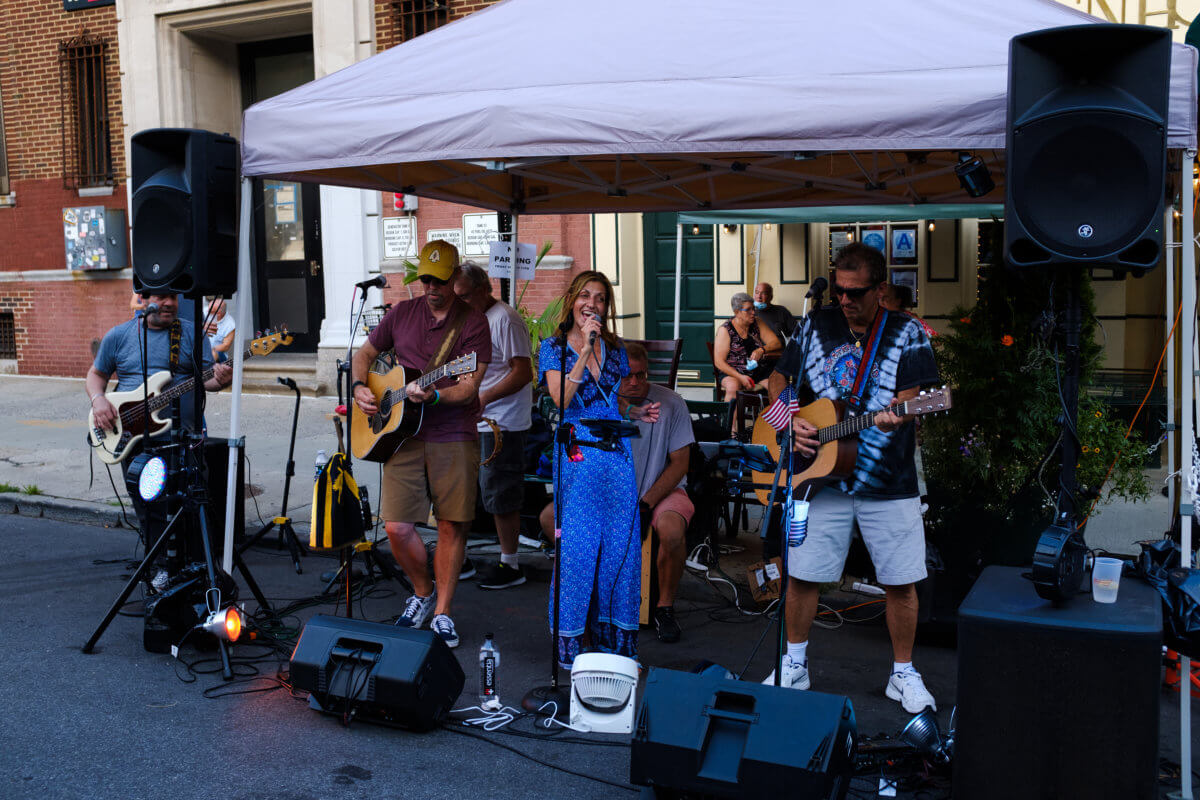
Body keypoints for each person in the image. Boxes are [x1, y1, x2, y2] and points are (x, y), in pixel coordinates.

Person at [763, 241, 940, 714]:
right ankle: (794, 663)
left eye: (856, 292)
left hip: (889, 478)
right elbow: (780, 378)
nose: (845, 300)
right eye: (839, 290)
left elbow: (914, 397)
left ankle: (903, 674)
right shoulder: (816, 323)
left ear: (880, 289)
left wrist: (895, 414)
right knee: (803, 575)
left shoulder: (907, 332)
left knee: (901, 580)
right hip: (820, 480)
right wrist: (790, 420)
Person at [351, 240, 491, 649]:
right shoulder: (401, 313)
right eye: (425, 279)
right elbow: (364, 355)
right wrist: (361, 386)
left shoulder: (473, 323)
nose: (431, 286)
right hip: (401, 435)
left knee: (450, 523)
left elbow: (469, 387)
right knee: (395, 525)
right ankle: (422, 591)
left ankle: (443, 614)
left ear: (455, 280)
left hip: (451, 432)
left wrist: (436, 396)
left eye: (440, 280)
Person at [538, 270, 659, 668]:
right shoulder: (552, 348)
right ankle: (573, 650)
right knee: (578, 553)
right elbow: (562, 401)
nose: (593, 305)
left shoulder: (618, 350)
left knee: (619, 558)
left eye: (602, 299)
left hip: (617, 459)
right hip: (578, 458)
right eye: (585, 296)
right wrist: (586, 349)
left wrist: (635, 411)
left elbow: (611, 403)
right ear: (572, 300)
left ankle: (615, 653)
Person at [86, 292, 233, 587]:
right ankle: (160, 568)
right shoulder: (119, 335)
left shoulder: (191, 333)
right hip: (133, 438)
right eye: (161, 298)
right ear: (144, 300)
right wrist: (99, 400)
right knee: (149, 506)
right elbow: (96, 374)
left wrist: (222, 378)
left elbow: (207, 380)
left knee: (191, 502)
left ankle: (195, 569)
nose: (168, 303)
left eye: (173, 299)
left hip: (184, 438)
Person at [453, 261, 533, 590]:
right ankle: (461, 559)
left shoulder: (505, 320)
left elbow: (522, 372)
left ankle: (510, 564)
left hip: (502, 422)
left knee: (500, 492)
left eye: (465, 296)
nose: (459, 304)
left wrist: (483, 398)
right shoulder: (469, 319)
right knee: (463, 491)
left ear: (485, 289)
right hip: (473, 418)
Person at [618, 341, 695, 643]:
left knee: (671, 531)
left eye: (642, 374)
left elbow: (680, 464)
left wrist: (647, 502)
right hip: (615, 494)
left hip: (662, 490)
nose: (636, 382)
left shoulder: (671, 402)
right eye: (628, 375)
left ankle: (664, 607)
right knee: (552, 519)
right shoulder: (602, 402)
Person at [713, 292, 783, 402]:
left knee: (777, 386)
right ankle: (729, 419)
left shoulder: (757, 322)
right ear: (737, 312)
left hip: (759, 372)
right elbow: (718, 362)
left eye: (754, 308)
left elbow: (776, 343)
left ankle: (784, 418)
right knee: (733, 386)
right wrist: (740, 377)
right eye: (748, 310)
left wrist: (761, 350)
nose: (753, 313)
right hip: (733, 372)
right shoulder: (725, 330)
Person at [204, 297, 236, 363]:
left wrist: (209, 349)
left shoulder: (230, 324)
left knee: (214, 353)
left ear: (218, 314)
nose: (207, 311)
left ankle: (205, 370)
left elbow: (226, 346)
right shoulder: (204, 311)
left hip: (218, 354)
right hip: (202, 348)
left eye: (210, 310)